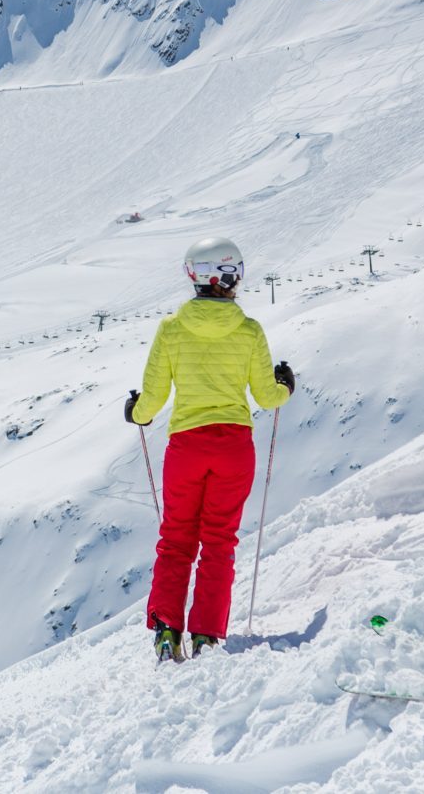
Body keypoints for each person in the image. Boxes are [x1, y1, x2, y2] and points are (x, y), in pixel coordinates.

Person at [126, 235, 294, 662]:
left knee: (176, 539)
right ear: (233, 276)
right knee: (219, 542)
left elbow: (153, 398)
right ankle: (205, 635)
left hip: (186, 446)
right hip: (235, 446)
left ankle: (167, 629)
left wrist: (137, 414)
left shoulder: (171, 330)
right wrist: (285, 386)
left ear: (194, 278)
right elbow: (267, 396)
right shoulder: (250, 331)